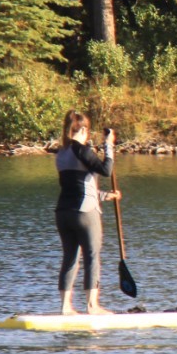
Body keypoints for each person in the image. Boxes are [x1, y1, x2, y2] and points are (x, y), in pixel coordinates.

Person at [55, 111, 122, 316]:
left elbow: (76, 185)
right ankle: (92, 306)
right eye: (88, 132)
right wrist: (109, 145)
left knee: (70, 258)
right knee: (92, 256)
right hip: (85, 213)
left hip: (63, 212)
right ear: (83, 129)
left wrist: (104, 196)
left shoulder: (61, 153)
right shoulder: (81, 150)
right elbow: (106, 170)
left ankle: (66, 308)